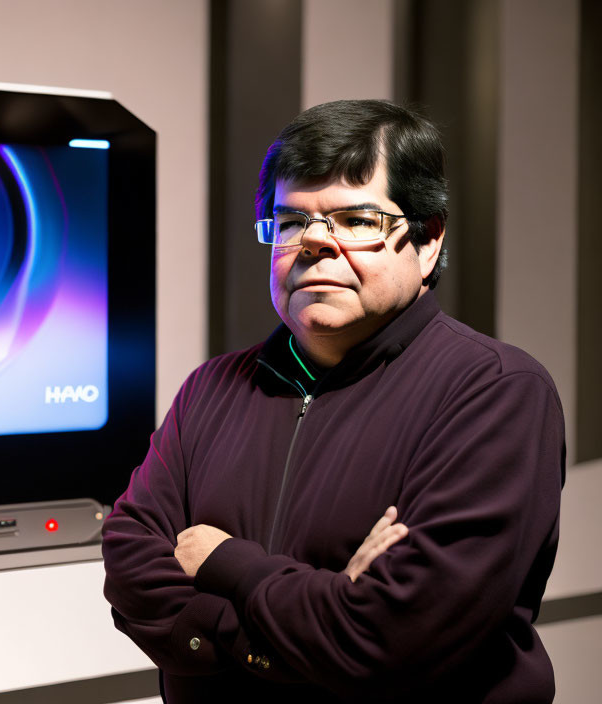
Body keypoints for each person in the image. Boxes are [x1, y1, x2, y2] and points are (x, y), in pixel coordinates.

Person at [102, 100, 565, 703]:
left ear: (426, 241)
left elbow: (390, 638)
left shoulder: (494, 393)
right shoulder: (211, 389)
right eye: (291, 221)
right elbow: (131, 563)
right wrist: (302, 624)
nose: (315, 243)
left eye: (356, 220)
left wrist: (225, 563)